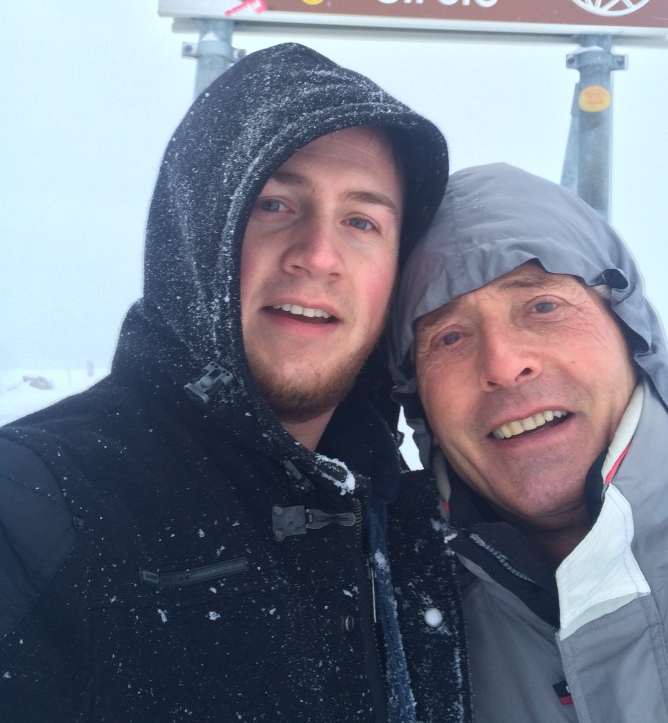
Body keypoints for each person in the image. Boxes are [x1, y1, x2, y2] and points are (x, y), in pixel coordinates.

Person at [0, 43, 472, 723]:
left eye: (361, 221)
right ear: (197, 234)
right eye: (276, 204)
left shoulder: (409, 519)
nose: (318, 254)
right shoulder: (41, 506)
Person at [390, 162, 668, 722]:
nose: (503, 363)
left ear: (630, 331)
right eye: (448, 336)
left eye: (542, 306)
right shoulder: (390, 601)